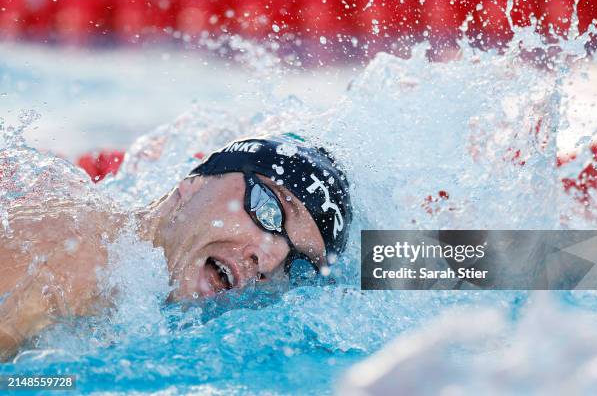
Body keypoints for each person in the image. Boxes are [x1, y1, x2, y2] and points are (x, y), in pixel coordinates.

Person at [0, 133, 353, 361]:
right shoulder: (61, 255)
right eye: (269, 210)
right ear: (195, 184)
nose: (270, 260)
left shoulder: (155, 314)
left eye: (295, 263)